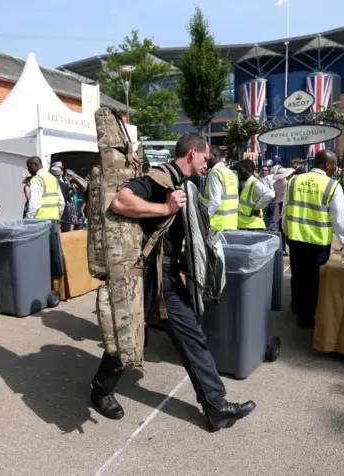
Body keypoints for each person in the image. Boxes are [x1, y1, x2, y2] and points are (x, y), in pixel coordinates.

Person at [90, 133, 256, 432]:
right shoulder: (161, 176)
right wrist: (164, 209)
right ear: (192, 153)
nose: (207, 164)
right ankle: (101, 390)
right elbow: (120, 201)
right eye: (205, 158)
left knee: (191, 335)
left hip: (166, 274)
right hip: (147, 274)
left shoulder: (181, 182)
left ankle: (215, 406)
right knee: (128, 335)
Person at [282, 150, 344, 328]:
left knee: (297, 274)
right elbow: (339, 220)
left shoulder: (294, 181)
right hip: (318, 243)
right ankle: (306, 318)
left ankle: (296, 305)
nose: (336, 168)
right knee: (312, 280)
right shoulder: (333, 186)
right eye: (335, 164)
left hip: (295, 238)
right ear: (327, 164)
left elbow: (285, 210)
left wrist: (285, 232)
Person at [236, 160, 275, 230]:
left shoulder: (254, 183)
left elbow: (270, 194)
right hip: (246, 226)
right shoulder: (247, 184)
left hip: (253, 227)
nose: (239, 173)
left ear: (249, 170)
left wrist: (256, 208)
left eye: (241, 170)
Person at [205, 154, 239, 231]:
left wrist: (204, 218)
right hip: (231, 224)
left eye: (207, 157)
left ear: (213, 156)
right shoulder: (231, 173)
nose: (206, 160)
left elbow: (215, 202)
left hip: (217, 225)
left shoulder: (215, 172)